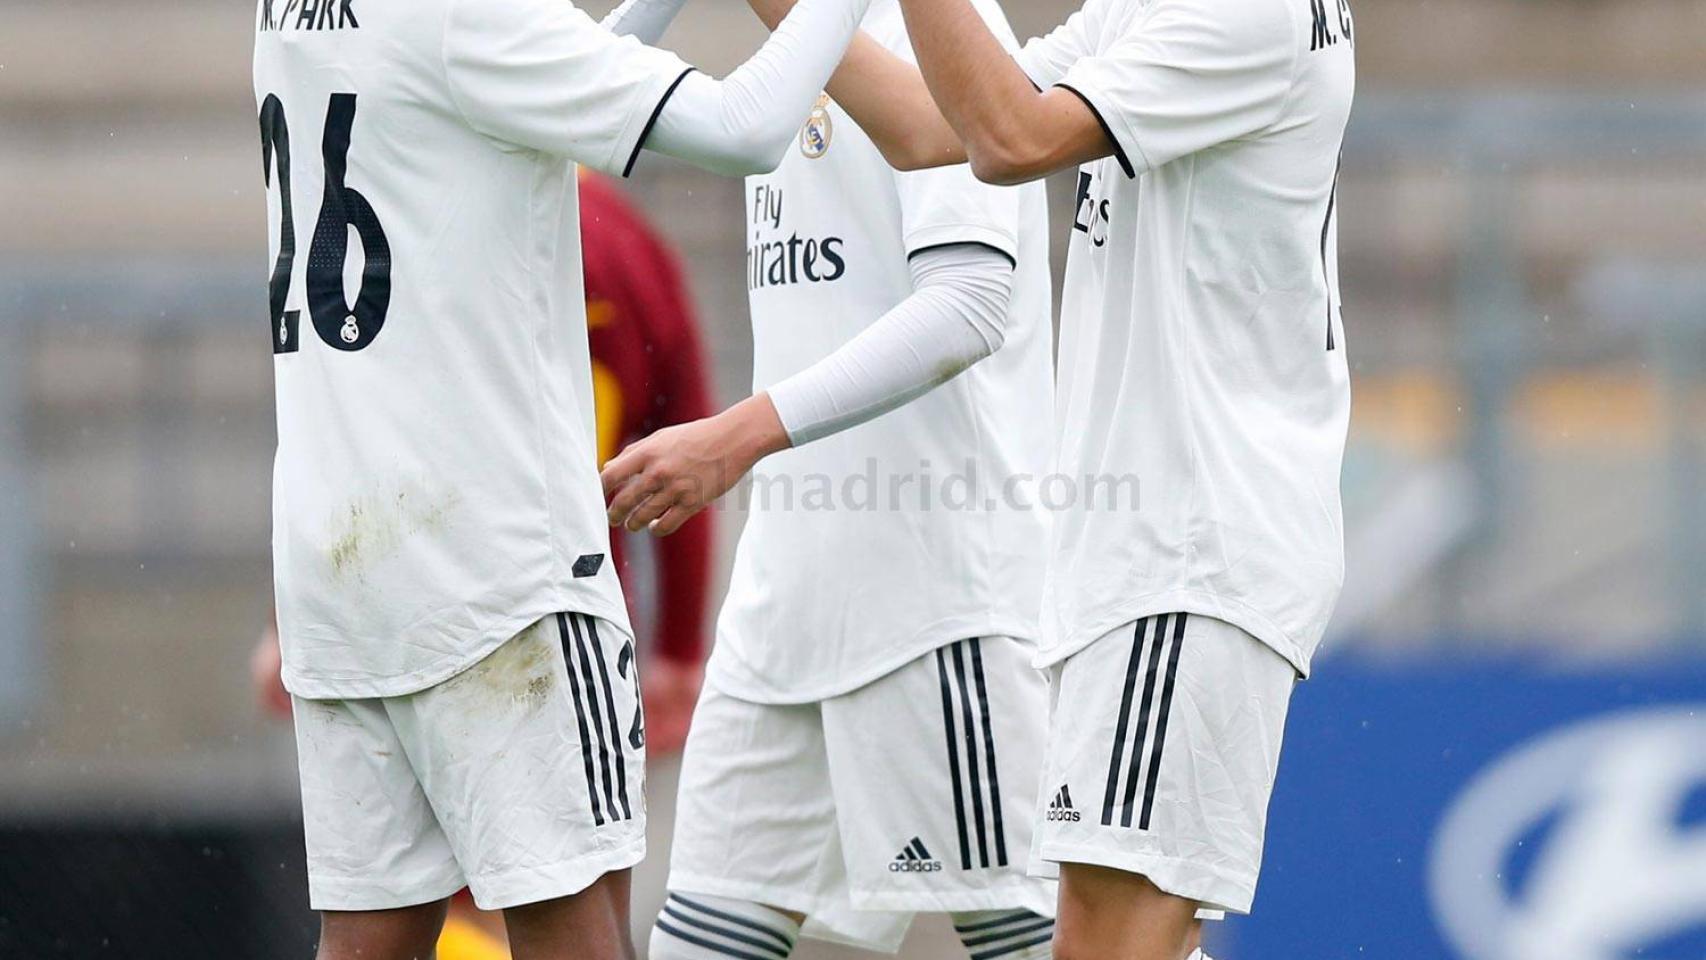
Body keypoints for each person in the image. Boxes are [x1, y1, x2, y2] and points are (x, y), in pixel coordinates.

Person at [617, 0, 1358, 957]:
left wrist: (741, 436)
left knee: (1101, 935)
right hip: (1115, 562)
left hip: (1183, 550)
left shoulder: (1247, 10)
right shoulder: (1153, 8)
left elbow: (1008, 143)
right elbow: (937, 126)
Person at [252, 0, 873, 954]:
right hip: (495, 577)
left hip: (340, 566)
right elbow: (746, 128)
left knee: (367, 939)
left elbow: (499, 77)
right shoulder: (469, 16)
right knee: (573, 935)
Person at [600, 0, 1057, 955]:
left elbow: (970, 304)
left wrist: (741, 436)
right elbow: (568, 89)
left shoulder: (934, 30)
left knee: (1069, 944)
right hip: (783, 621)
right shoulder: (798, 50)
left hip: (935, 615)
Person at [249, 170, 716, 959]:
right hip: (554, 612)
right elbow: (684, 445)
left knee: (395, 921)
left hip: (398, 594)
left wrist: (287, 618)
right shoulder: (632, 242)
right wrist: (675, 651)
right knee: (564, 899)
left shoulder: (429, 206)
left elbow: (354, 428)